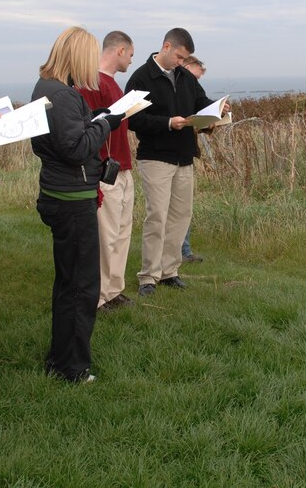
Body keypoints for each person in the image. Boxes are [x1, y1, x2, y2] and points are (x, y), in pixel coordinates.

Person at [30, 26, 123, 382]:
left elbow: (62, 137)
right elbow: (74, 148)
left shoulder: (45, 88)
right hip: (72, 198)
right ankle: (73, 367)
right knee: (82, 286)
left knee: (68, 281)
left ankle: (60, 358)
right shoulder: (64, 94)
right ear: (78, 57)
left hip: (58, 192)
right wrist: (106, 124)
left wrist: (94, 118)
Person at [126, 28, 228, 296]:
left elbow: (201, 101)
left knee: (181, 216)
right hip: (156, 157)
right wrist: (168, 123)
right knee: (157, 217)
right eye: (180, 57)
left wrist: (216, 109)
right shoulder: (140, 77)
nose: (182, 63)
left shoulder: (185, 77)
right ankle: (148, 276)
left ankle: (170, 271)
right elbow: (132, 121)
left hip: (184, 157)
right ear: (167, 46)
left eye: (185, 59)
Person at [78, 31, 136, 312]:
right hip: (106, 168)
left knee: (122, 232)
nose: (130, 61)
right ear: (120, 50)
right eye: (131, 55)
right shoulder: (93, 82)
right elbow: (91, 126)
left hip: (124, 165)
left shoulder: (114, 84)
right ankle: (98, 295)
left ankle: (114, 288)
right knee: (107, 234)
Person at [180, 55, 207, 264]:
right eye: (195, 76)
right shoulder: (177, 85)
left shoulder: (191, 86)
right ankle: (179, 251)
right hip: (167, 155)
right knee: (171, 209)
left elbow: (200, 107)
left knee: (184, 206)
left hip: (186, 152)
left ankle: (184, 250)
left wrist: (212, 119)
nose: (196, 82)